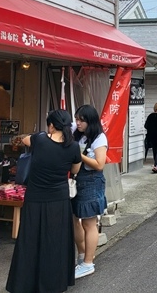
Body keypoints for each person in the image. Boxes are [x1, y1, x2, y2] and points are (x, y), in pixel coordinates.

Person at [6, 109, 82, 293]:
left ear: (51, 125)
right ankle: (53, 284)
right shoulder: (73, 147)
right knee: (55, 241)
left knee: (30, 240)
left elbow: (24, 140)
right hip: (59, 199)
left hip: (35, 198)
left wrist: (41, 133)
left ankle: (24, 284)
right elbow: (75, 170)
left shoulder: (40, 140)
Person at [71, 104, 108, 279]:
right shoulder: (79, 135)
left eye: (81, 120)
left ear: (90, 121)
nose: (77, 123)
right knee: (74, 219)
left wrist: (78, 154)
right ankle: (82, 254)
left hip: (92, 182)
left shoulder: (99, 138)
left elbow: (100, 164)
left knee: (89, 223)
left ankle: (88, 263)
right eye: (76, 119)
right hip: (77, 181)